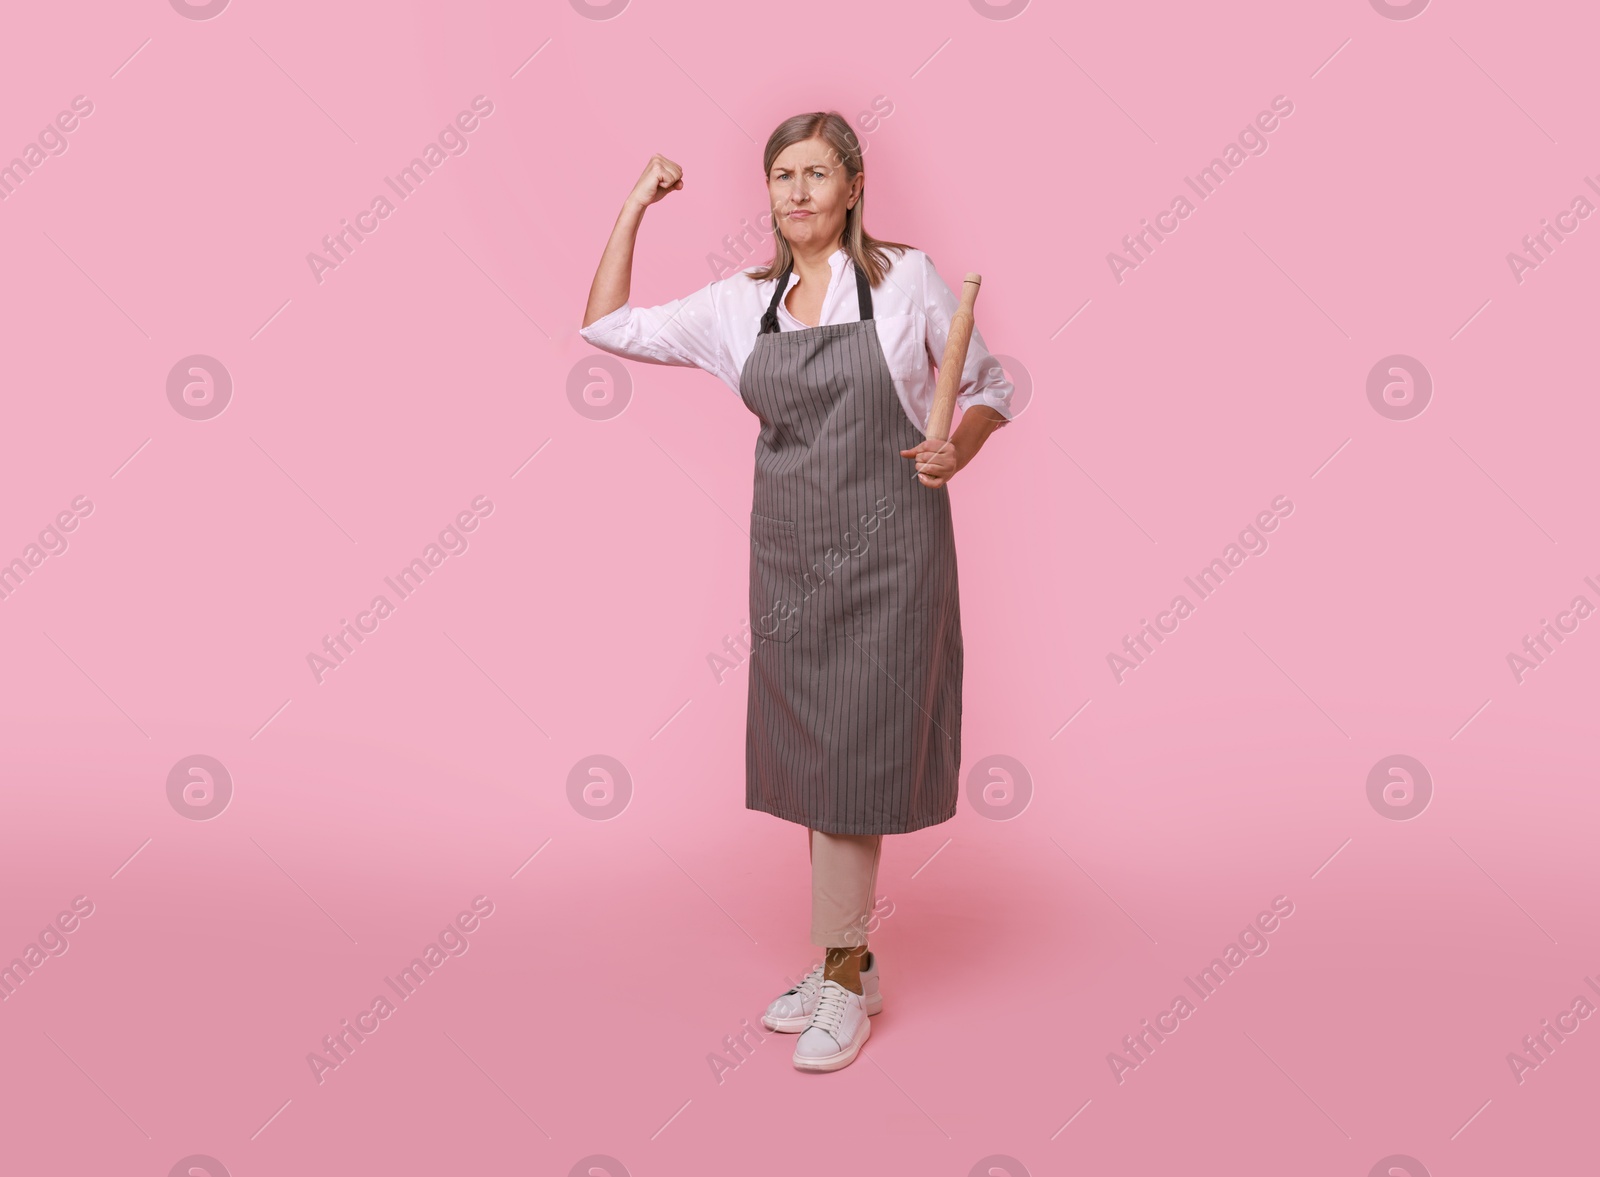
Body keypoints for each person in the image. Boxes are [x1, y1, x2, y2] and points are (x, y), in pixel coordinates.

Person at [580, 110, 1014, 1073]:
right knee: (819, 756)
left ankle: (842, 973)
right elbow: (606, 324)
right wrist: (632, 208)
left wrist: (959, 445)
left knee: (857, 753)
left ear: (854, 187)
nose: (798, 192)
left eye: (818, 174)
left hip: (894, 552)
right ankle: (846, 968)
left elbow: (989, 387)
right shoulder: (742, 305)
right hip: (788, 556)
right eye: (783, 176)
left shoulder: (908, 281)